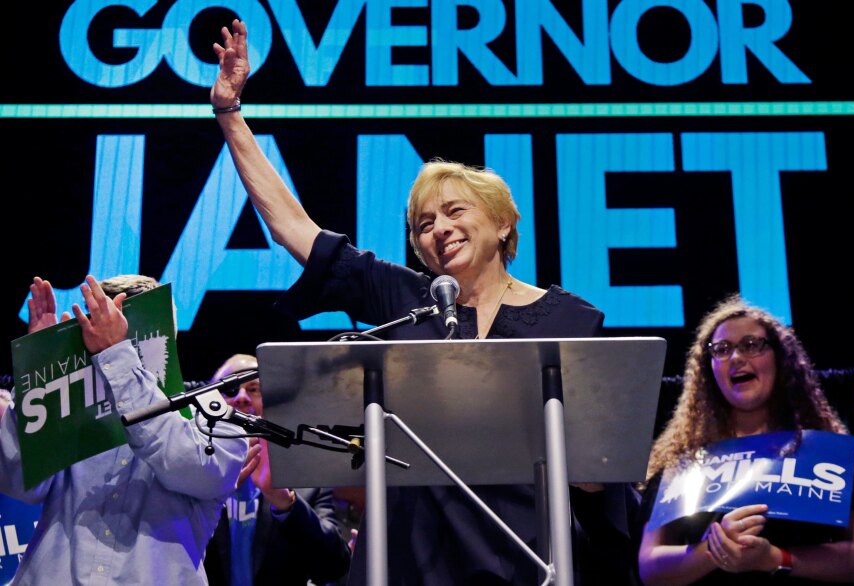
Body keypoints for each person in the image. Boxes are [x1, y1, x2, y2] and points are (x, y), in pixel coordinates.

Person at [210, 19, 641, 585]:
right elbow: (295, 228)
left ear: (503, 222)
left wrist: (591, 473)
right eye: (423, 224)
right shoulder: (406, 298)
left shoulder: (570, 319)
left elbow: (597, 475)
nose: (438, 229)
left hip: (525, 552)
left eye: (455, 212)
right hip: (408, 554)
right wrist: (229, 113)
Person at [0, 275, 247, 585]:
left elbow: (191, 468)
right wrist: (40, 377)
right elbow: (19, 484)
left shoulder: (210, 409)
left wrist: (118, 357)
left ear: (163, 334)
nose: (102, 342)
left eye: (117, 330)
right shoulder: (71, 407)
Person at [638, 296, 854, 586]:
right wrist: (713, 550)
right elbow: (649, 566)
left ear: (780, 358)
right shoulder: (682, 461)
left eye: (751, 345)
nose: (737, 358)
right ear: (708, 369)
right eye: (722, 350)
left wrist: (775, 558)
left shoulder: (830, 450)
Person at [203, 354, 351, 585]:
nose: (241, 398)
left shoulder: (307, 481)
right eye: (230, 389)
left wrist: (283, 501)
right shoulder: (188, 473)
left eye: (254, 389)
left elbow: (333, 567)